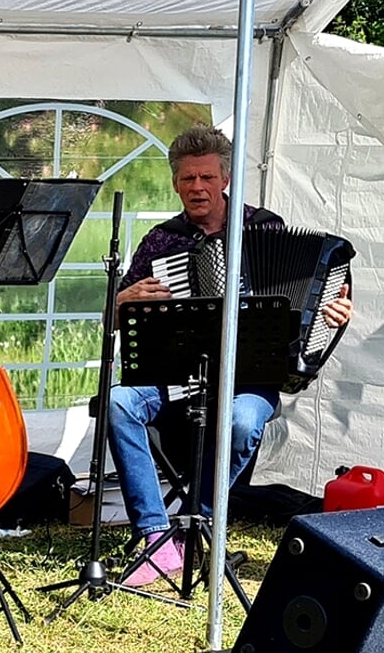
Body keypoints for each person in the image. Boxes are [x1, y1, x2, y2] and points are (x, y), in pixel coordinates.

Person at [109, 124, 355, 586]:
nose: (196, 188)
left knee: (243, 419)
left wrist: (332, 313)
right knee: (119, 403)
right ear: (175, 182)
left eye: (205, 178)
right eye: (186, 179)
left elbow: (307, 304)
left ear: (224, 179)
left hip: (251, 377)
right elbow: (118, 318)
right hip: (178, 378)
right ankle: (156, 536)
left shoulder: (264, 230)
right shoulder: (161, 242)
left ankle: (192, 528)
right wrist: (122, 303)